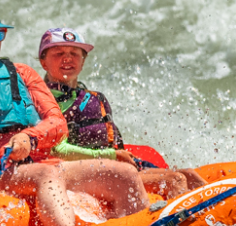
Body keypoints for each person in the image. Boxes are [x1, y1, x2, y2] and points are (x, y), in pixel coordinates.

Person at [0, 0, 148, 226]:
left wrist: (29, 138)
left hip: (42, 162)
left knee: (123, 174)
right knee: (48, 175)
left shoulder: (22, 73)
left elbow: (57, 123)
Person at [38, 28, 206, 199]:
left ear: (83, 61)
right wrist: (110, 156)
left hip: (109, 165)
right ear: (44, 63)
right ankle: (180, 224)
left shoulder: (91, 97)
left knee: (189, 176)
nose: (67, 58)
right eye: (58, 53)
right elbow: (56, 150)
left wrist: (119, 158)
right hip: (79, 171)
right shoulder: (43, 100)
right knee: (175, 180)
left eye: (74, 53)